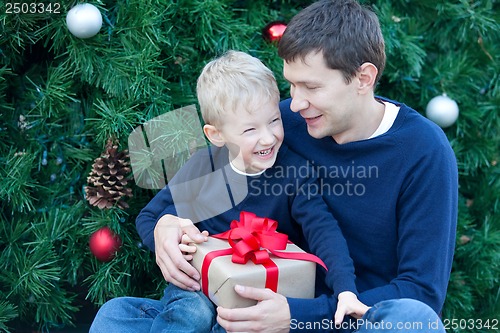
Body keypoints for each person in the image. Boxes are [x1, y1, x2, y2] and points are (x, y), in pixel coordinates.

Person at [147, 1, 458, 332]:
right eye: (292, 85)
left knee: (417, 321)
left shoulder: (423, 151)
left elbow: (421, 293)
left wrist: (300, 316)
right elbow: (199, 176)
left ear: (363, 78)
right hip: (259, 310)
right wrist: (163, 224)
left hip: (355, 321)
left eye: (311, 87)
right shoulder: (277, 128)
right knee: (117, 314)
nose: (295, 103)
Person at [90, 50, 369, 333]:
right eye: (250, 130)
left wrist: (345, 290)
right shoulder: (204, 166)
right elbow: (151, 217)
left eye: (274, 120)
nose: (268, 137)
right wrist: (169, 242)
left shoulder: (294, 173)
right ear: (216, 135)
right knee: (156, 314)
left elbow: (325, 233)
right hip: (197, 287)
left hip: (254, 291)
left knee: (235, 325)